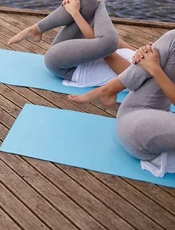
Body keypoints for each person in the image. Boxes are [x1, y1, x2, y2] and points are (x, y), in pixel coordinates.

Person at [69, 33, 175, 177]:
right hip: (138, 114)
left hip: (138, 131)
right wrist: (148, 54)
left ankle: (107, 91)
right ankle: (108, 90)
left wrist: (154, 68)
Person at [8, 0, 135, 88]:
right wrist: (82, 7)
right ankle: (36, 29)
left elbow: (105, 48)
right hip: (76, 51)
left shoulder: (137, 75)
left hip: (62, 64)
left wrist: (76, 13)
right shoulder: (143, 57)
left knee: (109, 42)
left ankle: (100, 1)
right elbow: (114, 43)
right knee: (88, 0)